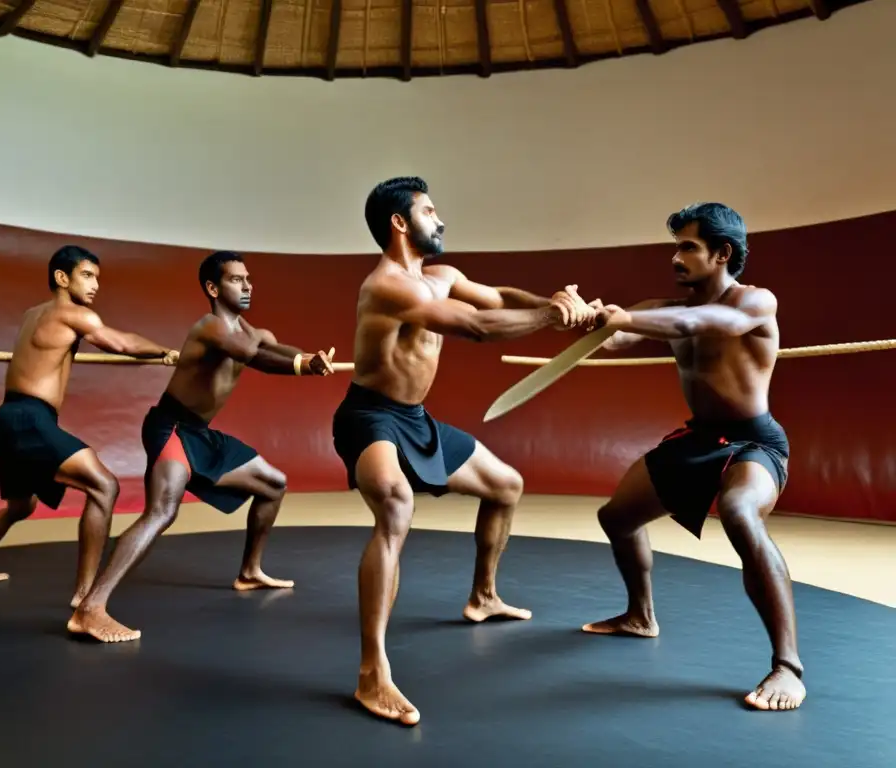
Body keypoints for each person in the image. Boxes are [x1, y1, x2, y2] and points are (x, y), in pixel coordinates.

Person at [333, 176, 599, 726]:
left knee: (507, 486)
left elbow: (499, 300)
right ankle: (371, 672)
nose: (441, 219)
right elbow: (477, 327)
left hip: (414, 418)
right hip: (369, 416)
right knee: (395, 505)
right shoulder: (386, 287)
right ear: (400, 224)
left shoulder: (443, 276)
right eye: (430, 211)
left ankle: (483, 596)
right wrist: (554, 319)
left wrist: (559, 304)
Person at [582, 202, 804, 712]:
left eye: (688, 247)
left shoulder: (754, 302)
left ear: (722, 253)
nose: (675, 257)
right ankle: (640, 616)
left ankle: (788, 667)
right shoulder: (664, 305)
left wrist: (629, 316)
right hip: (699, 438)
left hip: (754, 443)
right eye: (675, 246)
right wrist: (587, 318)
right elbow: (616, 336)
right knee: (615, 517)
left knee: (740, 513)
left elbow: (699, 322)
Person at [67, 251, 337, 643]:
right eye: (235, 280)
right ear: (213, 288)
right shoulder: (210, 328)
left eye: (248, 279)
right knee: (162, 512)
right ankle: (90, 609)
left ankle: (249, 572)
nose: (246, 286)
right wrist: (301, 366)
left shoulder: (252, 331)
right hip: (171, 427)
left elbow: (274, 347)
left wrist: (307, 358)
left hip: (201, 432)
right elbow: (255, 357)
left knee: (273, 485)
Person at [0, 245, 178, 607]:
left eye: (97, 277)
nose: (96, 284)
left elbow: (47, 354)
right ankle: (86, 600)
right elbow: (122, 343)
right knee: (104, 486)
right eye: (87, 275)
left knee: (20, 508)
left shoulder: (33, 315)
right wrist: (165, 352)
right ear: (61, 278)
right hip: (28, 420)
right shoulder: (76, 315)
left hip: (7, 419)